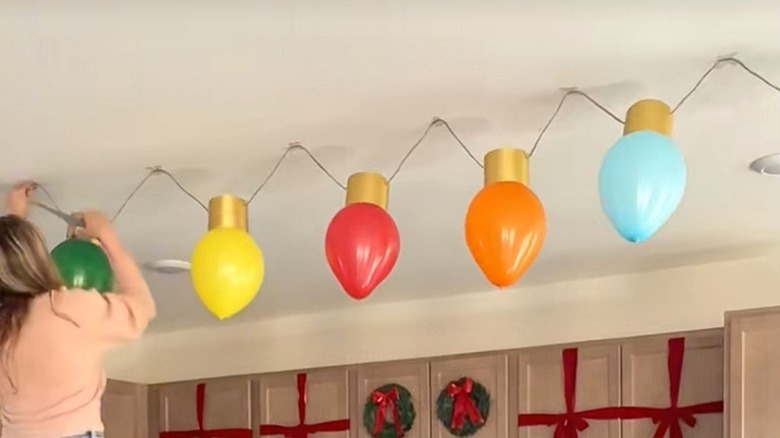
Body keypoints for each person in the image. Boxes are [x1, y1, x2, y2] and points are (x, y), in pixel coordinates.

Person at [0, 182, 156, 438]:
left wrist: (15, 223)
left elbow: (7, 268)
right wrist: (108, 237)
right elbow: (141, 307)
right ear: (36, 256)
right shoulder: (68, 309)